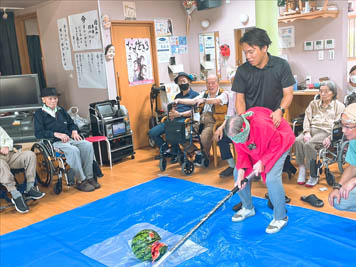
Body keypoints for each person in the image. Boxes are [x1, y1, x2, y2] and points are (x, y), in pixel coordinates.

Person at [225, 107, 295, 234]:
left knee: (272, 178)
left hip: (280, 141)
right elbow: (241, 152)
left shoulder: (262, 125)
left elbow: (275, 144)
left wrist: (263, 161)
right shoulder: (235, 130)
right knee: (237, 172)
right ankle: (247, 207)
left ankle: (281, 217)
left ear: (244, 130)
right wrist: (241, 173)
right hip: (257, 146)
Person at [34, 87, 100, 192]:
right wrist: (56, 134)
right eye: (50, 98)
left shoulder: (61, 110)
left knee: (87, 145)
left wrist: (74, 131)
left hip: (69, 138)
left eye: (55, 98)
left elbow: (71, 124)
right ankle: (80, 180)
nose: (53, 101)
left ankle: (89, 177)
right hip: (54, 142)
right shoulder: (39, 114)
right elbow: (38, 133)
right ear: (43, 100)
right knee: (73, 151)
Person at [232, 28, 295, 127]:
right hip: (251, 120)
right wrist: (243, 119)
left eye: (251, 52)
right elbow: (240, 99)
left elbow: (288, 94)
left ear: (264, 48)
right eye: (245, 53)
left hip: (273, 119)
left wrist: (280, 110)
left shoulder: (281, 66)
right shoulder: (242, 70)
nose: (248, 56)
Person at [295, 80, 345, 187]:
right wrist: (307, 132)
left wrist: (330, 137)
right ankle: (302, 168)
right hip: (312, 129)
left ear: (333, 92)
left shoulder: (339, 106)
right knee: (298, 140)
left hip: (325, 131)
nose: (323, 94)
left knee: (309, 144)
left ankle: (313, 174)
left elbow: (338, 125)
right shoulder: (313, 104)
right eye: (321, 91)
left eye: (326, 91)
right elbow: (307, 119)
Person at [175, 74, 228, 166]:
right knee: (180, 133)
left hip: (215, 122)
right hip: (199, 120)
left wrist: (204, 100)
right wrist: (179, 100)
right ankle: (196, 152)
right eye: (208, 83)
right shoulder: (204, 93)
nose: (210, 85)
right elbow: (193, 101)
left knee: (204, 137)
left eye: (213, 83)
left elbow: (216, 101)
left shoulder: (224, 94)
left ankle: (204, 155)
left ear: (218, 83)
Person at [148, 72, 199, 162]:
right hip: (172, 120)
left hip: (185, 120)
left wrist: (180, 114)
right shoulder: (177, 96)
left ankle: (177, 153)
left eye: (184, 81)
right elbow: (173, 108)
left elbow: (195, 112)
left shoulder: (195, 95)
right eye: (180, 82)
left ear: (189, 82)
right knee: (152, 132)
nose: (182, 83)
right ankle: (167, 150)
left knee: (173, 130)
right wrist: (171, 114)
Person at [0, 126, 45, 213]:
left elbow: (8, 139)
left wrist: (6, 146)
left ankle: (30, 188)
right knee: (1, 164)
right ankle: (16, 195)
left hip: (9, 155)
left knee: (30, 155)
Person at [328, 103, 356, 212]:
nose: (343, 131)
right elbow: (353, 166)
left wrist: (354, 181)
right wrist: (337, 187)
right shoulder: (353, 140)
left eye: (347, 127)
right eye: (342, 125)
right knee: (339, 201)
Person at [214, 73, 237, 178]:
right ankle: (232, 165)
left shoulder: (251, 94)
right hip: (235, 125)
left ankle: (251, 167)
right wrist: (220, 128)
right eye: (233, 82)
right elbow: (229, 115)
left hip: (248, 126)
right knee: (221, 136)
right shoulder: (232, 95)